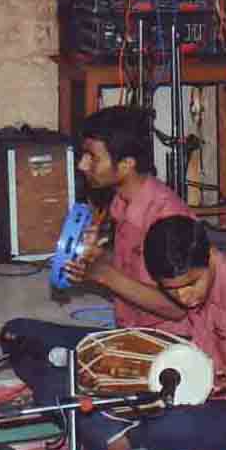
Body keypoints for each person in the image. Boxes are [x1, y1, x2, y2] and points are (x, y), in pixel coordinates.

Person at [5, 214, 226, 450]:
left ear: (210, 255)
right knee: (19, 335)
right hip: (184, 373)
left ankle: (124, 438)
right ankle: (110, 428)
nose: (184, 297)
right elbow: (170, 319)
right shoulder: (185, 285)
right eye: (171, 290)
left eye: (191, 285)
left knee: (163, 425)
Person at [64, 105, 194, 332]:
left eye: (92, 157)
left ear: (127, 164)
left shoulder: (168, 218)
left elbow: (177, 308)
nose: (82, 165)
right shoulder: (122, 200)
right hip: (130, 330)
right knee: (19, 334)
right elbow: (136, 266)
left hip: (170, 347)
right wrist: (100, 258)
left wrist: (104, 274)